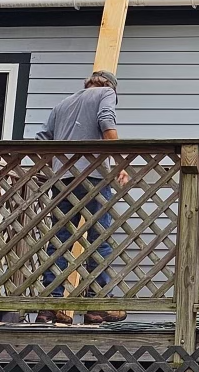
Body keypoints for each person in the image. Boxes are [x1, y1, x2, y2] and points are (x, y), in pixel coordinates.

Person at [34, 70, 130, 325]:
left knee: (60, 241)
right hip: (93, 176)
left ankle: (49, 308)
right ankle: (96, 306)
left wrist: (54, 169)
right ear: (111, 87)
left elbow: (42, 138)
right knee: (99, 239)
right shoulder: (106, 93)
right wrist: (120, 161)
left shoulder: (62, 104)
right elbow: (106, 120)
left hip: (63, 179)